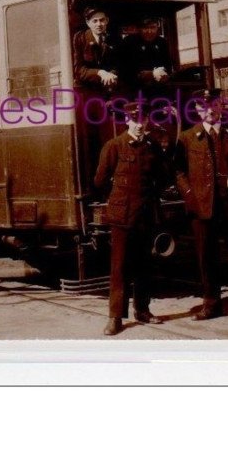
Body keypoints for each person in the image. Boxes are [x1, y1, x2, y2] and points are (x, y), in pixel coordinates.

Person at [174, 89, 228, 323]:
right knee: (206, 256)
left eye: (213, 105)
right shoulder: (187, 137)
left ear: (221, 105)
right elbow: (178, 170)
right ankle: (211, 304)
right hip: (203, 207)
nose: (209, 110)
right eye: (203, 107)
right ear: (197, 110)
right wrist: (190, 194)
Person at [94, 100, 170, 336]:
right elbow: (99, 181)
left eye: (143, 119)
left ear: (147, 120)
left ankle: (143, 310)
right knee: (119, 268)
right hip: (122, 216)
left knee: (144, 265)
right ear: (126, 120)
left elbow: (163, 176)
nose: (139, 124)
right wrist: (118, 198)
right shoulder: (114, 146)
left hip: (146, 214)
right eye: (135, 120)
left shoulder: (153, 147)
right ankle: (115, 317)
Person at [72, 6, 121, 93]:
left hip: (108, 88)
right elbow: (78, 70)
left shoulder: (114, 39)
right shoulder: (80, 38)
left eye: (102, 20)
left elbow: (118, 64)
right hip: (86, 90)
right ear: (88, 23)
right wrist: (100, 72)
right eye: (95, 21)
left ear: (107, 21)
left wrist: (112, 74)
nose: (99, 24)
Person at [121, 16, 173, 94]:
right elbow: (125, 68)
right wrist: (145, 74)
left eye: (153, 27)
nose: (149, 31)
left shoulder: (162, 42)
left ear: (157, 27)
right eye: (145, 28)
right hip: (135, 89)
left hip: (159, 87)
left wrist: (161, 72)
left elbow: (168, 65)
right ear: (139, 29)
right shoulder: (129, 42)